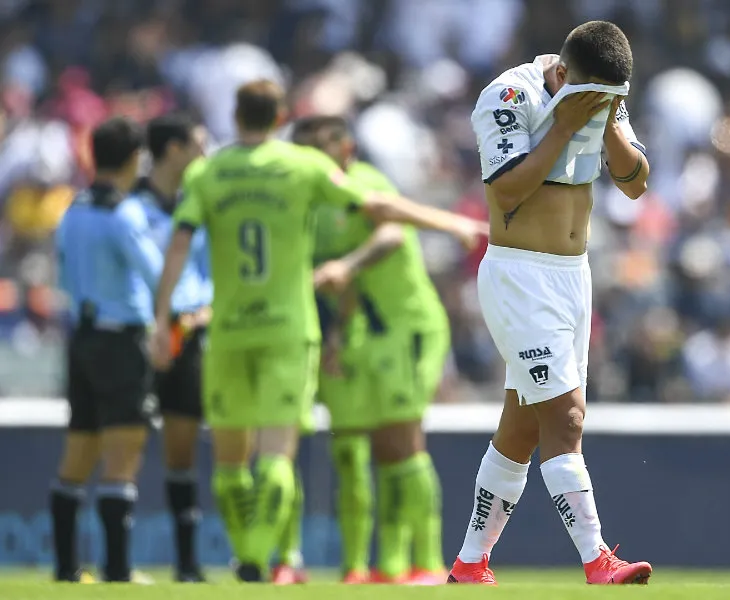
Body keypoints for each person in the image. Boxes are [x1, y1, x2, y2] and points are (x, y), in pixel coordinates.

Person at [148, 80, 485, 583]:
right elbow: (376, 218)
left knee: (248, 456)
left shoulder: (208, 172)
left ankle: (391, 561)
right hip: (296, 328)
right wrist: (449, 222)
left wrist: (162, 319)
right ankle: (298, 559)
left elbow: (179, 245)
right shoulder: (302, 173)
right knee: (305, 449)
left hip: (281, 328)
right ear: (279, 118)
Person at [447, 21, 653, 585]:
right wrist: (561, 128)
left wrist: (607, 122)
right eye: (591, 95)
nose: (603, 105)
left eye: (615, 98)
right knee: (565, 418)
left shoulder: (603, 94)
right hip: (520, 277)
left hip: (572, 277)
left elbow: (636, 182)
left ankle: (469, 562)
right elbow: (507, 191)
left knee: (521, 428)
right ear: (562, 75)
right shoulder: (510, 97)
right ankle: (597, 559)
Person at [289, 116, 449, 585]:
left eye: (315, 150)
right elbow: (341, 285)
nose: (307, 162)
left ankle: (429, 563)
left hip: (409, 325)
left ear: (344, 148)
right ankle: (375, 567)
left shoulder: (366, 181)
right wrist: (337, 334)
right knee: (367, 448)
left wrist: (347, 265)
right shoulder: (317, 203)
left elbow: (391, 233)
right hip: (364, 333)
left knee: (402, 441)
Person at [51, 117, 161, 583]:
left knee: (78, 450)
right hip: (120, 340)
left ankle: (65, 568)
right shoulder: (125, 213)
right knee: (123, 454)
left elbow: (61, 271)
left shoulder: (72, 208)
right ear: (135, 158)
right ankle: (117, 569)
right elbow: (156, 273)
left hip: (81, 337)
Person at [134, 113, 209, 582]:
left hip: (191, 331)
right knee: (124, 442)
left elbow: (213, 270)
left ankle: (186, 565)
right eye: (199, 141)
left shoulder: (199, 202)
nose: (206, 150)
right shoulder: (131, 205)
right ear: (175, 148)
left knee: (182, 447)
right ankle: (116, 561)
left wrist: (207, 311)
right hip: (140, 334)